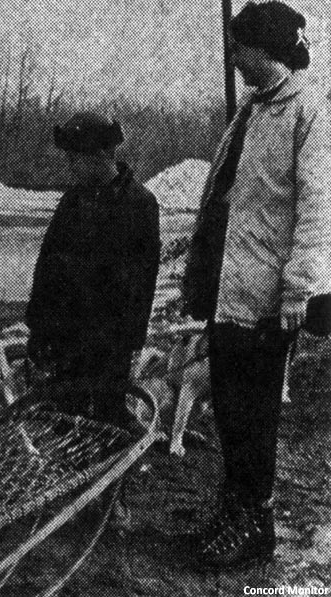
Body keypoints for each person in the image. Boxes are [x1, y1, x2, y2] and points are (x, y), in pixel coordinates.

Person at [182, 1, 331, 571]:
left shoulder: (309, 111)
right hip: (231, 291)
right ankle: (233, 511)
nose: (234, 57)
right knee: (229, 411)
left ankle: (254, 524)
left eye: (240, 47)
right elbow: (223, 201)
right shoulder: (252, 110)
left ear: (264, 50)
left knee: (255, 416)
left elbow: (318, 208)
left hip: (270, 300)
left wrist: (298, 289)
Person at [25, 112, 161, 431]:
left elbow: (143, 283)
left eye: (76, 159)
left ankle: (111, 473)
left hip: (109, 339)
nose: (70, 167)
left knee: (106, 417)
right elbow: (48, 264)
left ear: (103, 155)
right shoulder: (73, 199)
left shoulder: (139, 204)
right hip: (65, 335)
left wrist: (131, 342)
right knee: (63, 416)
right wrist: (38, 325)